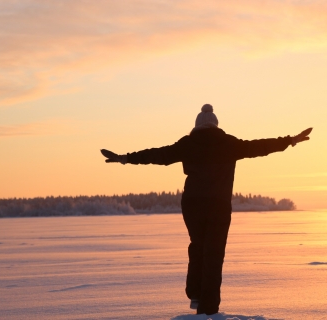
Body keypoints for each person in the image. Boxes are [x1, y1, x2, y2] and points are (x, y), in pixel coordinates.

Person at [101, 104, 312, 315]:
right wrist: (289, 140)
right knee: (214, 253)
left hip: (193, 204)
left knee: (198, 246)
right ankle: (208, 308)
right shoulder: (228, 143)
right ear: (216, 125)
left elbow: (158, 155)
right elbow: (259, 146)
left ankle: (195, 294)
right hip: (218, 205)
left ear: (197, 125)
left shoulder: (188, 143)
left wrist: (126, 158)